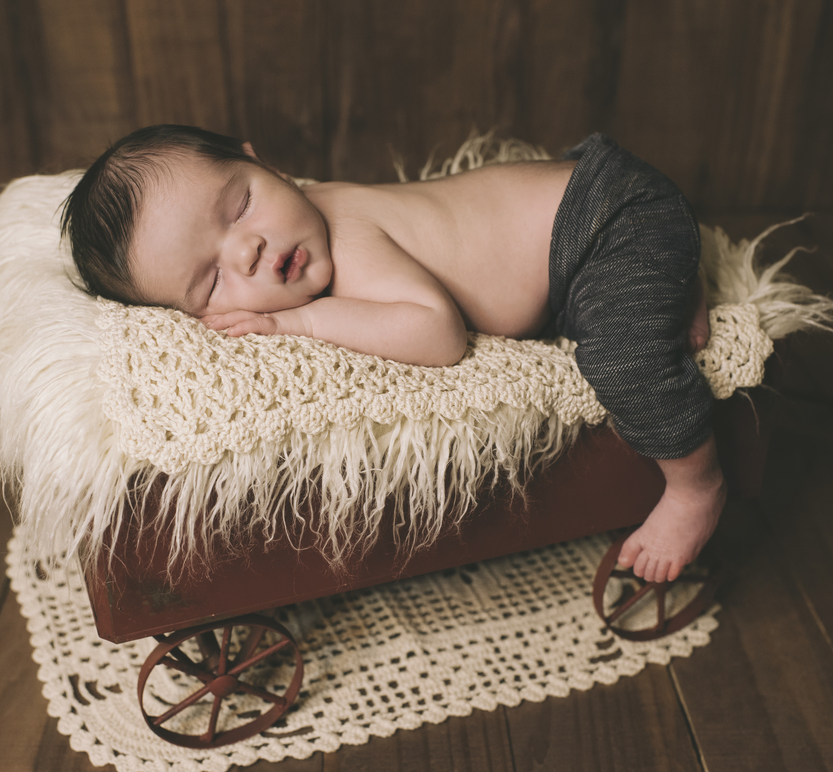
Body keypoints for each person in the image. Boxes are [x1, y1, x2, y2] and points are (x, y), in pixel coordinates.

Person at [62, 124, 724, 583]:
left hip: (604, 218)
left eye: (240, 205)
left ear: (266, 164)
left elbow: (438, 335)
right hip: (575, 250)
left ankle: (695, 486)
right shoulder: (305, 221)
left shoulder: (346, 233)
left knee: (620, 363)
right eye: (211, 281)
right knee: (619, 311)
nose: (249, 250)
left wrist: (302, 323)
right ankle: (673, 273)